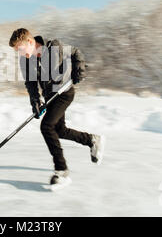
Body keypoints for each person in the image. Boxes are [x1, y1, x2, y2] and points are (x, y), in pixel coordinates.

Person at [9, 28, 105, 186]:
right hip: (50, 96)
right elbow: (31, 83)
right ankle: (92, 140)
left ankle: (62, 171)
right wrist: (35, 102)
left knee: (46, 127)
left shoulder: (53, 47)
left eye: (20, 49)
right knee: (59, 130)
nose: (19, 53)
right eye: (17, 51)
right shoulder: (25, 60)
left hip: (64, 93)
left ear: (30, 42)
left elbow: (76, 52)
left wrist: (78, 70)